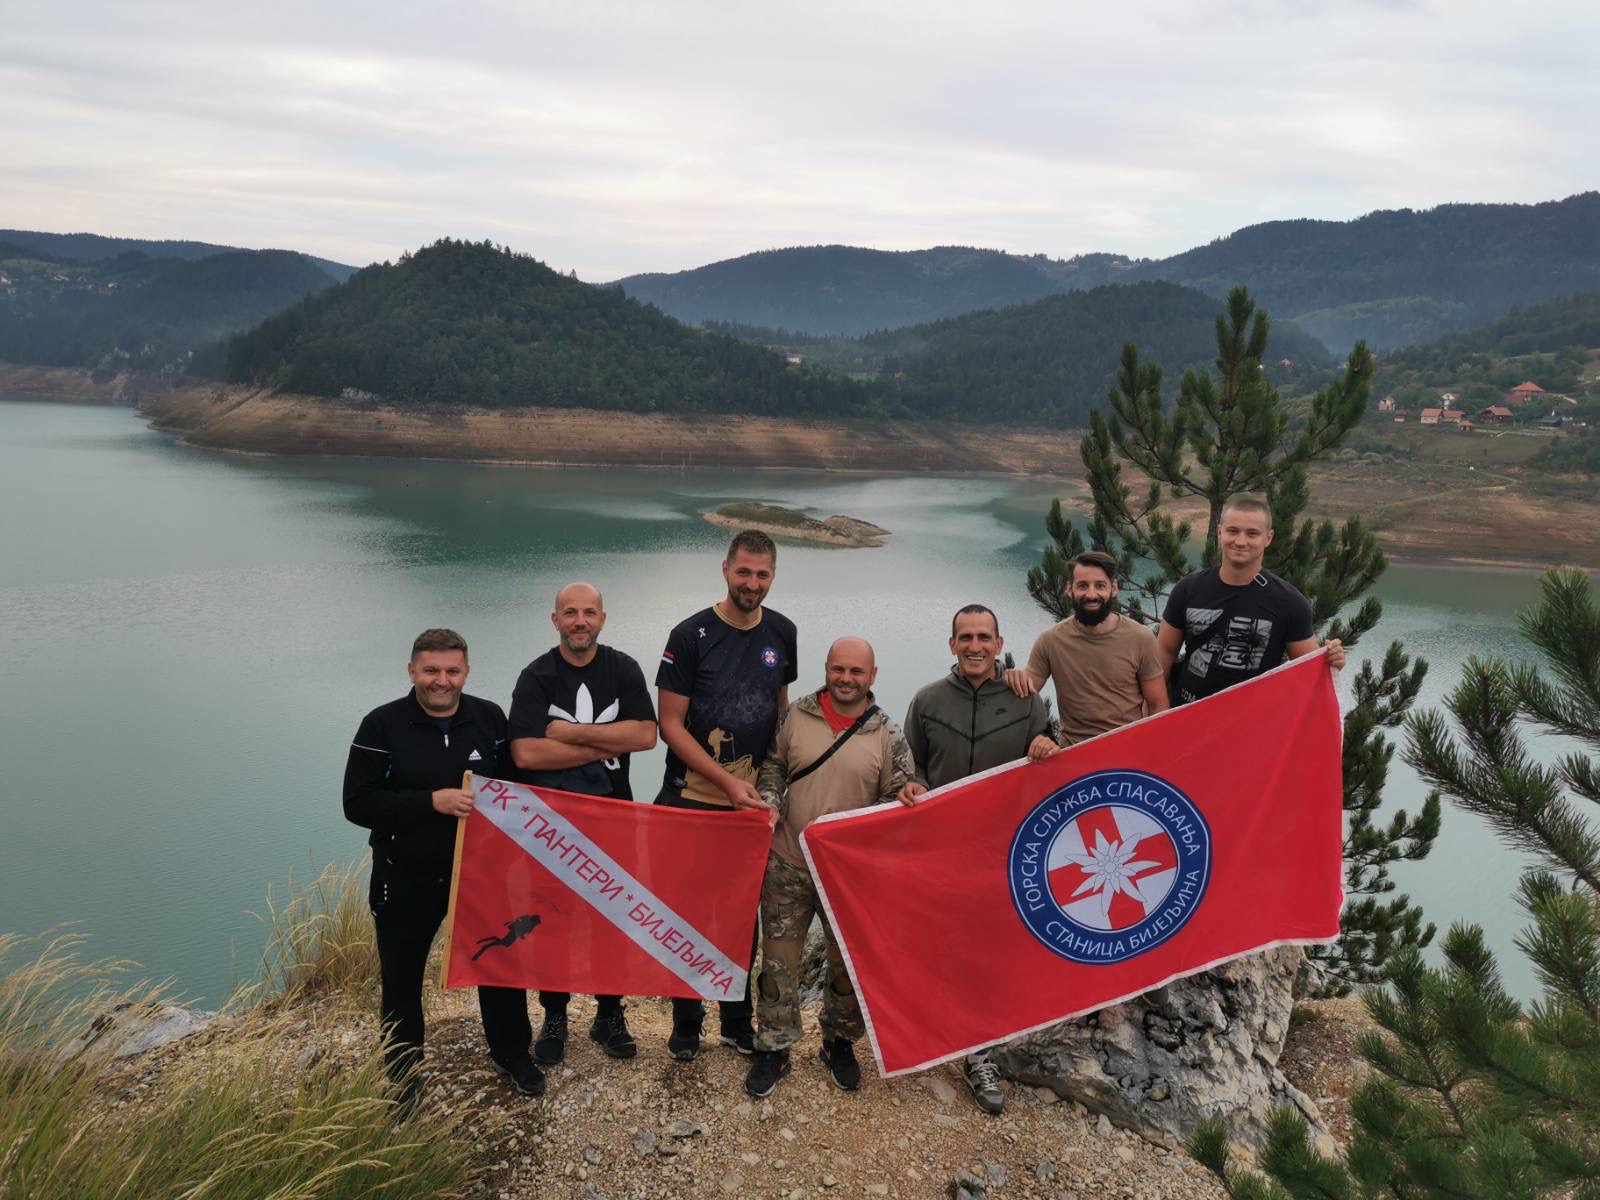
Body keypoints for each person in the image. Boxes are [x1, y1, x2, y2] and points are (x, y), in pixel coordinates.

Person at [343, 628, 543, 1104]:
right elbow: (356, 803)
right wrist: (429, 802)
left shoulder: (489, 718)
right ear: (412, 671)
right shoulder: (381, 725)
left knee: (498, 967)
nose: (442, 680)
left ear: (466, 672)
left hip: (481, 874)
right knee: (402, 978)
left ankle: (512, 1055)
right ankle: (403, 1074)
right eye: (431, 670)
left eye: (452, 670)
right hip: (405, 875)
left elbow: (515, 790)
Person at [897, 604, 1051, 1114]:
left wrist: (1051, 743)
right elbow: (909, 763)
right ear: (952, 644)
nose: (974, 646)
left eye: (984, 637)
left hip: (1002, 850)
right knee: (936, 945)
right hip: (939, 848)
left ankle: (978, 1052)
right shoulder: (927, 700)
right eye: (965, 637)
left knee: (988, 954)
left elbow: (1049, 757)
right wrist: (909, 783)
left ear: (998, 640)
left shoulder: (1026, 698)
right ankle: (928, 1035)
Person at [744, 637, 914, 1098]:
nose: (846, 679)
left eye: (856, 672)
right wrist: (771, 801)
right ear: (826, 668)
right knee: (778, 962)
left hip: (847, 875)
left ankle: (838, 1043)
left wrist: (895, 805)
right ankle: (774, 1046)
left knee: (846, 968)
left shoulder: (887, 733)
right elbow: (775, 766)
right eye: (839, 669)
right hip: (787, 863)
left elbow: (897, 796)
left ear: (872, 676)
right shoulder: (796, 715)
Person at [655, 529, 798, 1060]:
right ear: (725, 569)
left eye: (762, 575)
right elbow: (670, 724)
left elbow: (781, 715)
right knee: (685, 914)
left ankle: (735, 1019)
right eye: (744, 572)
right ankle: (686, 1022)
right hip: (692, 800)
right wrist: (725, 782)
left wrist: (769, 785)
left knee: (741, 916)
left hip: (752, 807)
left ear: (773, 576)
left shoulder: (782, 632)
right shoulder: (690, 635)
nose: (752, 584)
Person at [508, 582, 658, 1065]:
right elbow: (526, 752)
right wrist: (608, 742)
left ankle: (609, 1013)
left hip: (613, 818)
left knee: (609, 920)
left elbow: (646, 736)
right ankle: (554, 1015)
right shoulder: (536, 676)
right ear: (555, 620)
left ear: (602, 618)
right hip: (549, 826)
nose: (579, 621)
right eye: (570, 613)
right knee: (551, 919)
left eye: (588, 612)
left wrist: (573, 734)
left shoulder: (623, 669)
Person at [1156, 494, 1346, 702]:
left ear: (1268, 538)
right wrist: (1155, 708)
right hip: (1186, 716)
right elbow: (1165, 651)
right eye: (1232, 531)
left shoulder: (1290, 602)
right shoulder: (1188, 589)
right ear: (1220, 531)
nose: (1240, 541)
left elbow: (1310, 671)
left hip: (1251, 724)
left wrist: (1331, 660)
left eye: (1252, 533)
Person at [1005, 550, 1168, 745]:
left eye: (1100, 585)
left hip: (1126, 752)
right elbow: (1026, 690)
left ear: (1114, 588)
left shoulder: (1141, 638)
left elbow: (1158, 704)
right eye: (1082, 586)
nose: (1091, 594)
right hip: (1073, 755)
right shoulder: (1051, 641)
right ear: (1069, 589)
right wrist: (1009, 676)